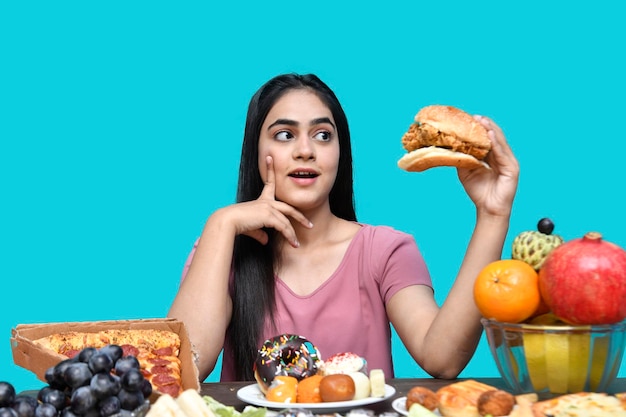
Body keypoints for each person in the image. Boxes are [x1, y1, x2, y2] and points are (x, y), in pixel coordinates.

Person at [167, 73, 519, 383]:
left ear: (340, 152)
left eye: (322, 135)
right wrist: (221, 222)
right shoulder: (221, 248)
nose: (305, 151)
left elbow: (442, 359)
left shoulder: (384, 250)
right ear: (256, 151)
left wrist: (492, 215)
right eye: (285, 135)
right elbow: (185, 366)